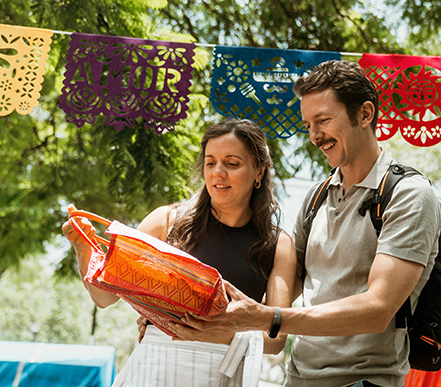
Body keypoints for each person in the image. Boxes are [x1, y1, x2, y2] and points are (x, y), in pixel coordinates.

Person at [183, 60, 441, 387]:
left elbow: (379, 309)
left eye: (323, 121)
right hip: (298, 378)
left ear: (364, 114)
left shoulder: (408, 196)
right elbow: (283, 294)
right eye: (308, 125)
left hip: (364, 382)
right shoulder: (316, 198)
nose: (315, 136)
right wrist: (193, 319)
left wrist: (268, 317)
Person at [62, 118, 297, 387]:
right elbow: (104, 298)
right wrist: (82, 248)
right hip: (154, 370)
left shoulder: (277, 244)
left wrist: (225, 329)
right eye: (210, 163)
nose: (218, 172)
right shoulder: (166, 221)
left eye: (232, 163)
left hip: (223, 375)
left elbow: (276, 339)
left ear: (259, 172)